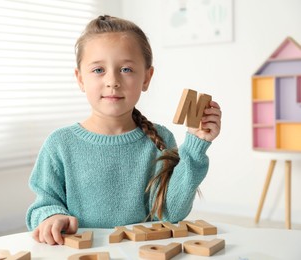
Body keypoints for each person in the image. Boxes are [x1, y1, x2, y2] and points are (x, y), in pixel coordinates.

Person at [26, 15, 222, 245]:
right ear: (80, 79)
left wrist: (196, 145)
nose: (113, 80)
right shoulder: (59, 144)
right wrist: (52, 217)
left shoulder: (160, 139)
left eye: (126, 69)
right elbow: (43, 204)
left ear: (147, 78)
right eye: (98, 70)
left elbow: (171, 213)